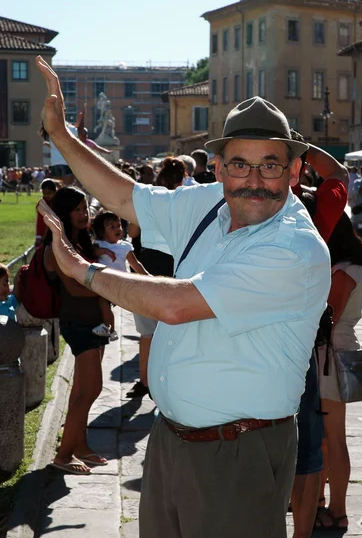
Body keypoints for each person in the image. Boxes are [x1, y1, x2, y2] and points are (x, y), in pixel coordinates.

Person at [36, 55, 331, 538]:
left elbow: (176, 304)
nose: (254, 179)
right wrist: (63, 135)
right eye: (240, 163)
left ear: (294, 170)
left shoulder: (294, 248)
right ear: (218, 166)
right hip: (171, 439)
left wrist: (83, 271)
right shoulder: (211, 201)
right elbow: (126, 197)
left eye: (270, 165)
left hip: (240, 451)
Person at [290, 134, 348, 538]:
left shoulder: (242, 196)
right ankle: (302, 530)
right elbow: (338, 173)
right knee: (307, 445)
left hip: (247, 330)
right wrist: (302, 148)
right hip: (302, 334)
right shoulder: (315, 211)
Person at [43, 186, 109, 474]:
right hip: (79, 323)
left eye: (86, 209)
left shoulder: (80, 240)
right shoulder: (58, 246)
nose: (84, 214)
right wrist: (109, 290)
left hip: (92, 322)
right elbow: (72, 287)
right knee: (90, 389)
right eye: (77, 210)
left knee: (83, 390)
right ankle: (64, 455)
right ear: (64, 213)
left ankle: (79, 445)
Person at [315, 213, 362, 532]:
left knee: (333, 437)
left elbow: (327, 316)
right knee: (326, 437)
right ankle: (320, 501)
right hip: (335, 352)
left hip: (330, 354)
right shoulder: (353, 267)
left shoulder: (343, 271)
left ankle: (337, 508)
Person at [127, 157, 183, 399]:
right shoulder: (184, 200)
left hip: (145, 268)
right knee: (175, 331)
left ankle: (145, 381)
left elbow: (132, 232)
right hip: (175, 268)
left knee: (147, 332)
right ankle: (169, 383)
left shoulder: (149, 200)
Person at [91, 210, 148, 341]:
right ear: (101, 232)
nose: (118, 229)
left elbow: (135, 264)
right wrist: (105, 251)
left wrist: (147, 277)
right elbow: (92, 252)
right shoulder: (99, 245)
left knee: (104, 302)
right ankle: (110, 329)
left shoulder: (125, 246)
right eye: (112, 227)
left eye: (119, 225)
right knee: (103, 303)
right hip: (104, 282)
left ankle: (109, 328)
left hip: (119, 282)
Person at [35, 179, 58, 246]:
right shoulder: (41, 205)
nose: (46, 195)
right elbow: (40, 221)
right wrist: (38, 236)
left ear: (54, 192)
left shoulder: (60, 202)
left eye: (49, 193)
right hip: (45, 235)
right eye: (44, 193)